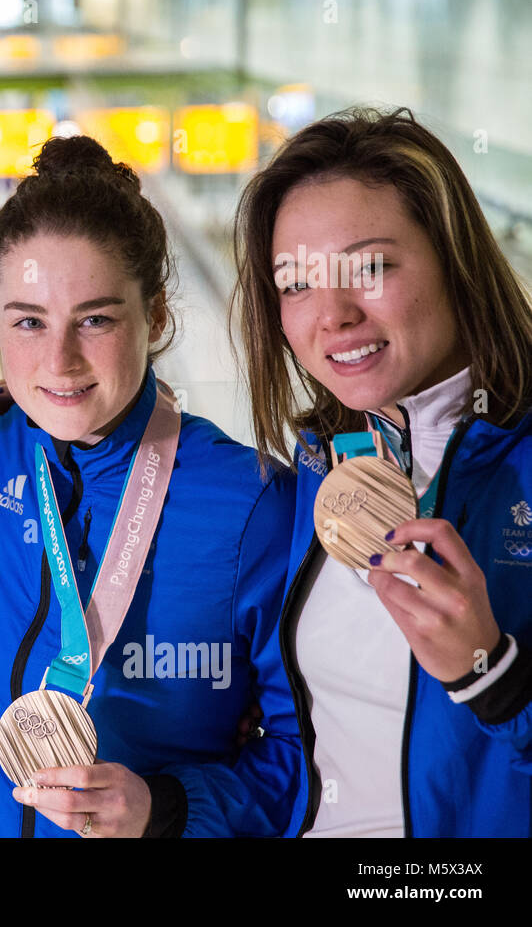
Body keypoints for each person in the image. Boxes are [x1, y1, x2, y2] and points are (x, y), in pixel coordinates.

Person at [0, 135, 302, 837]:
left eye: (96, 319)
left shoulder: (252, 505)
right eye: (27, 321)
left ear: (157, 317)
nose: (59, 359)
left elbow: (310, 758)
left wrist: (167, 808)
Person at [231, 106, 532, 836]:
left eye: (369, 267)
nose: (331, 315)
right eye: (296, 282)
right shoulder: (308, 483)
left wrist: (497, 682)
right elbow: (297, 767)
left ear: (454, 261)